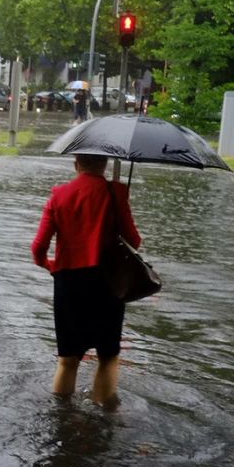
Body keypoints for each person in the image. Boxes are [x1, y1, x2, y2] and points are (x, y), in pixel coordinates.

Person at [31, 154, 141, 408]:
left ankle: (62, 417)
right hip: (108, 283)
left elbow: (39, 247)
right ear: (104, 165)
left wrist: (49, 266)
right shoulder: (116, 192)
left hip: (69, 283)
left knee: (68, 359)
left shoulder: (59, 195)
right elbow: (133, 241)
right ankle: (106, 414)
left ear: (76, 164)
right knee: (107, 356)